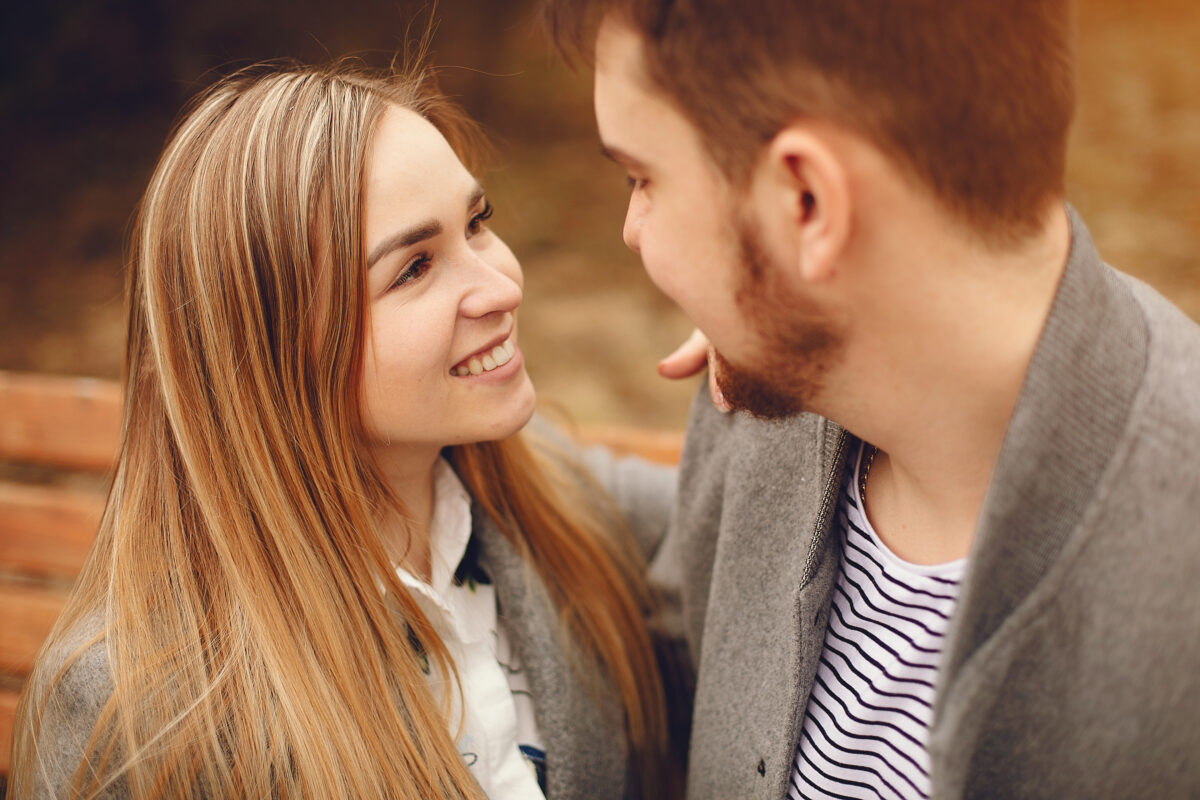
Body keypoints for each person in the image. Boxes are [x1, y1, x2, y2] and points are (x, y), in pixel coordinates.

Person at [542, 1, 1200, 798]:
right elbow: (674, 640)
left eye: (642, 177)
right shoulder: (775, 379)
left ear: (807, 204)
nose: (632, 228)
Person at [8, 58, 678, 800]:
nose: (504, 285)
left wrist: (767, 329)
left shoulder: (547, 496)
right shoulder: (137, 709)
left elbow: (753, 525)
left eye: (477, 224)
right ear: (270, 353)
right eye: (415, 268)